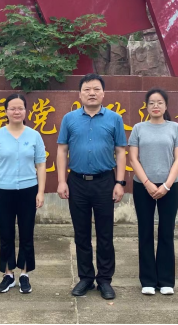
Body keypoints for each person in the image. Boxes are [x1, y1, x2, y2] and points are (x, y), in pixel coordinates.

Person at [57, 74, 127, 300]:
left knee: (105, 233)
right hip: (77, 182)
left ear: (103, 93)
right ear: (80, 94)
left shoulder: (114, 119)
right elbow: (62, 150)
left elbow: (120, 151)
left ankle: (104, 279)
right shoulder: (69, 119)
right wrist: (61, 181)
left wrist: (119, 182)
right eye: (87, 89)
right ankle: (86, 278)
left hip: (105, 182)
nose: (92, 93)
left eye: (96, 89)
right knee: (81, 233)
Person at [0, 94, 47, 294]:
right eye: (12, 108)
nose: (16, 111)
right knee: (6, 234)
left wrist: (40, 191)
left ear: (25, 111)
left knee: (27, 233)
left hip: (28, 190)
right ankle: (8, 274)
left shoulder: (34, 135)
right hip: (3, 190)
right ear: (6, 112)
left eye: (20, 108)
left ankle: (24, 274)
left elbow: (41, 165)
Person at [128, 88, 178, 296]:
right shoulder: (138, 128)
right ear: (146, 106)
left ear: (166, 105)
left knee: (166, 232)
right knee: (145, 232)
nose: (155, 106)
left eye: (159, 102)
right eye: (151, 102)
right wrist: (147, 183)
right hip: (143, 186)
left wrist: (166, 185)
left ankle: (166, 281)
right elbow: (133, 159)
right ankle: (148, 281)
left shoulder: (175, 128)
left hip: (170, 187)